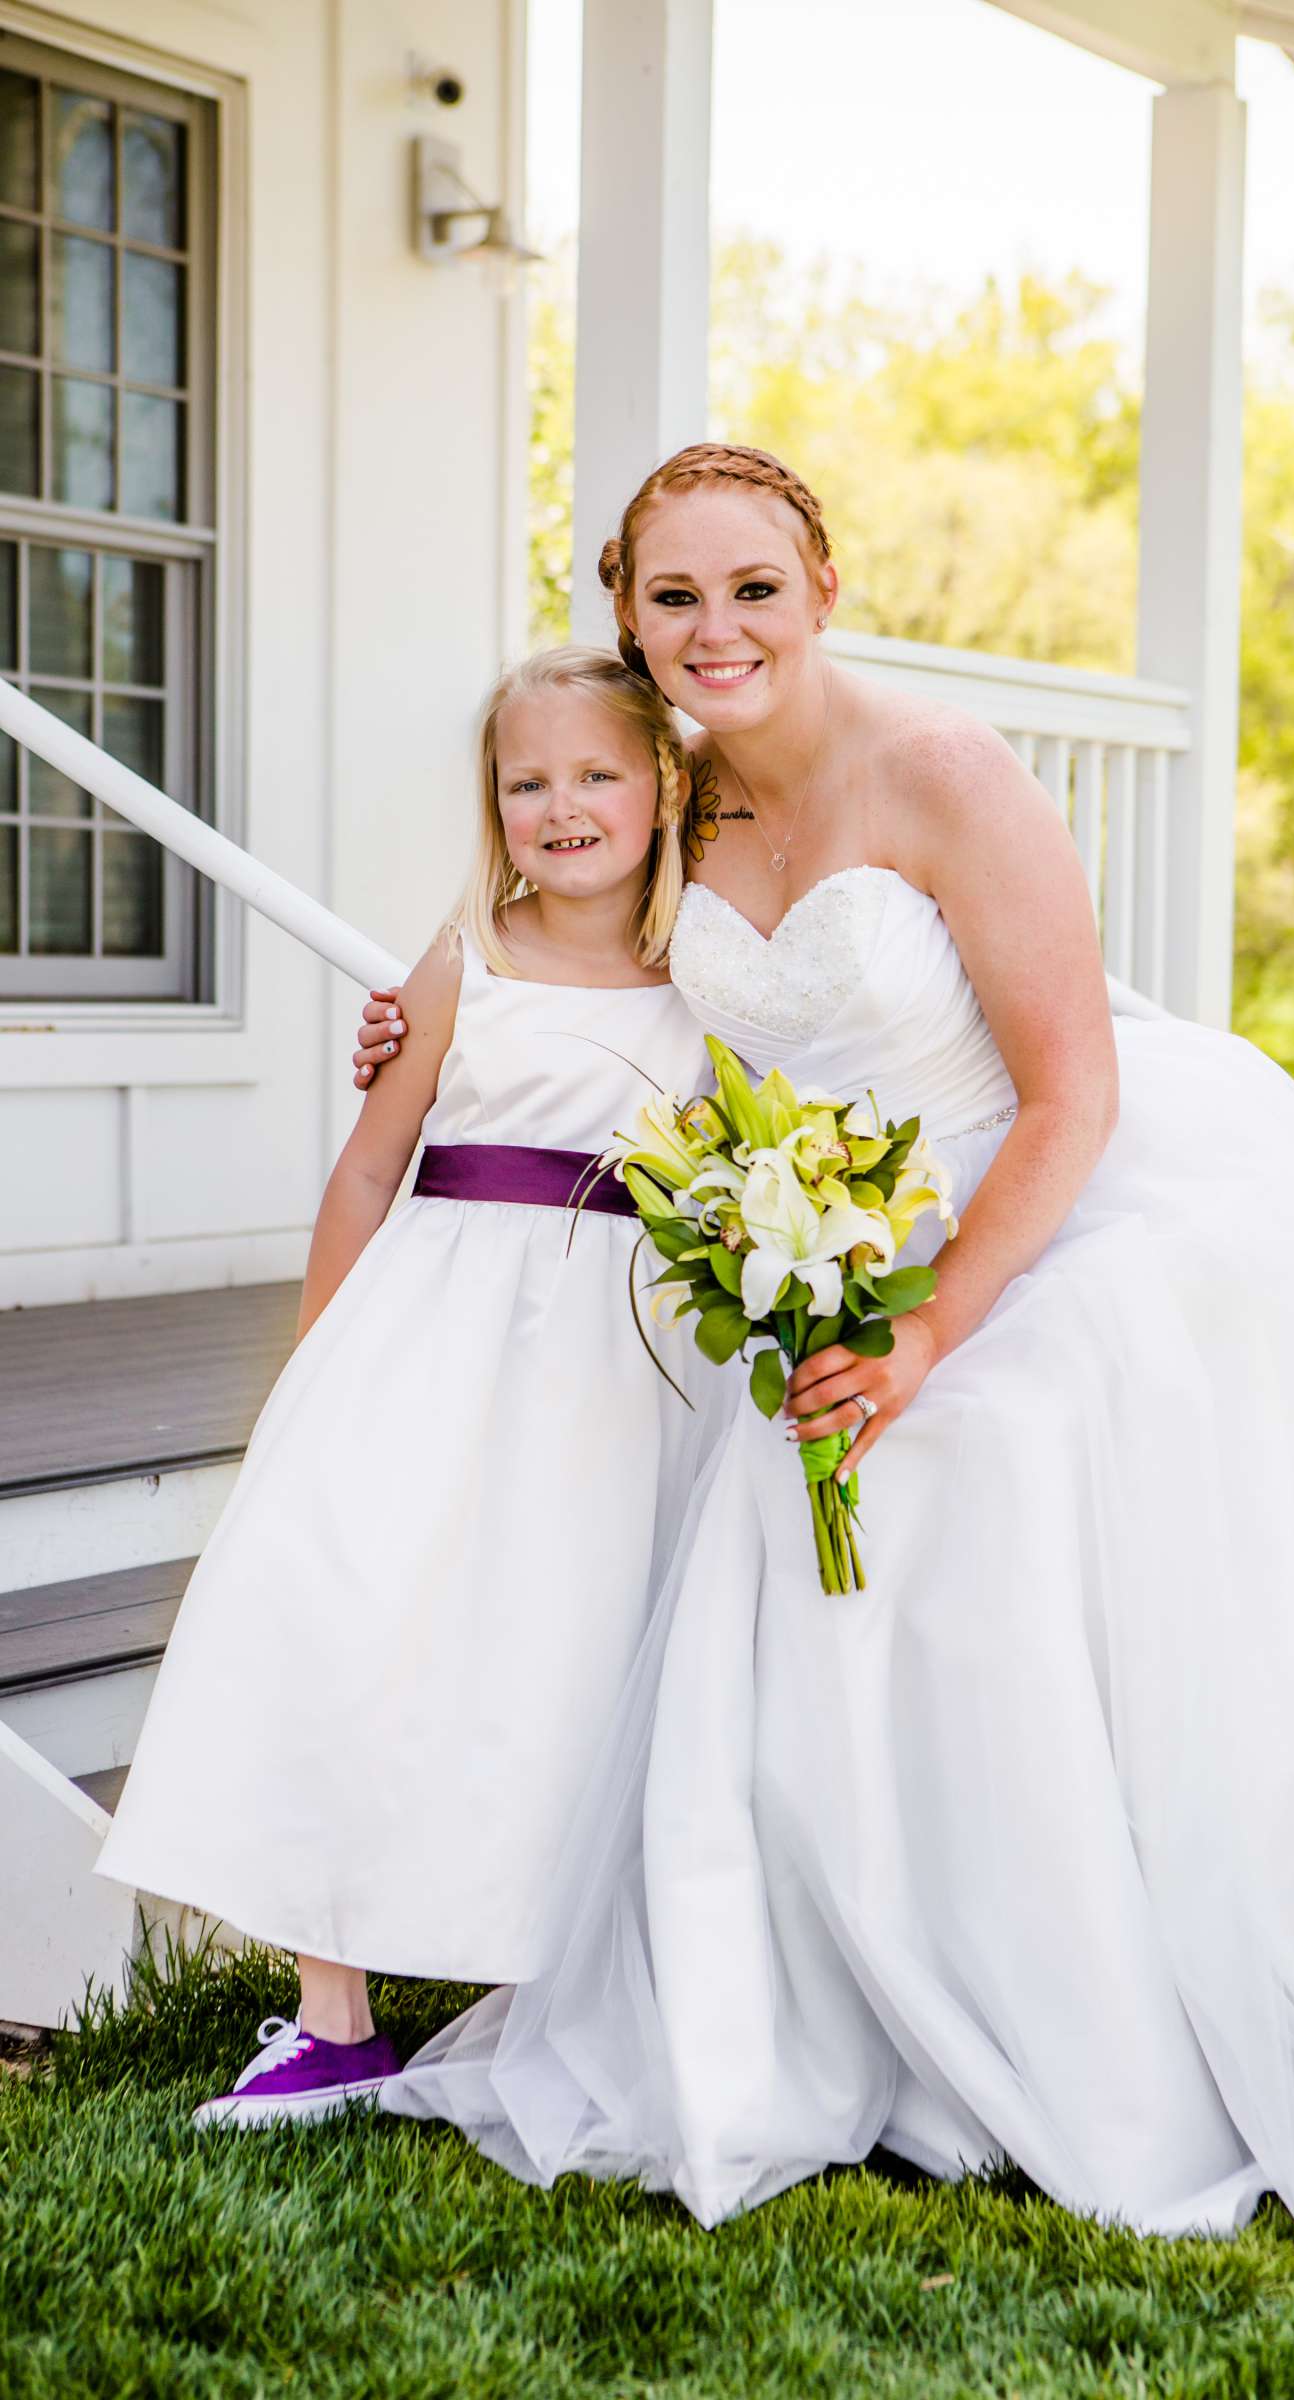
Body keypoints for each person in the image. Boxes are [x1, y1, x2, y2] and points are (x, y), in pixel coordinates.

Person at [363, 447, 1294, 2249]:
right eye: (675, 597)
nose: (717, 631)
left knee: (971, 1462)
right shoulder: (667, 807)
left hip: (1053, 1210)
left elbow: (1071, 1089)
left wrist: (938, 1324)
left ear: (827, 585)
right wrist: (420, 1027)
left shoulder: (944, 775)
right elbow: (553, 948)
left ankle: (1068, 2025)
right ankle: (843, 2008)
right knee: (778, 1478)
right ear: (624, 614)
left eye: (754, 589)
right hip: (824, 1244)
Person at [98, 646, 726, 2128]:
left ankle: (561, 1984)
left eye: (596, 775)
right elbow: (372, 1163)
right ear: (492, 805)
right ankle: (332, 2013)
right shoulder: (465, 957)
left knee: (563, 1650)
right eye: (527, 784)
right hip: (432, 1335)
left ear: (662, 788)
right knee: (356, 1621)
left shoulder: (712, 972)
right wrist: (319, 1369)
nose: (561, 806)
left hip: (613, 1372)